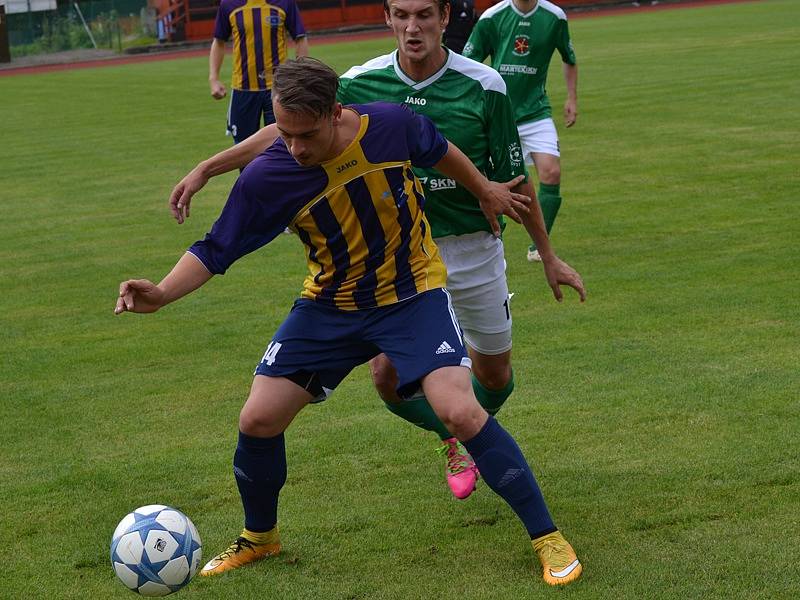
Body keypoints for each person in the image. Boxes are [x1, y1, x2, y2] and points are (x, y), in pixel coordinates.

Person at [119, 57, 582, 586]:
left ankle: (547, 535)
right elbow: (216, 247)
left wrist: (481, 187)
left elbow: (438, 150)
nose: (294, 148)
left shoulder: (390, 125)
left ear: (337, 113)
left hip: (411, 294)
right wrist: (160, 294)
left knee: (458, 410)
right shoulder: (271, 175)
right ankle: (259, 539)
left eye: (306, 135)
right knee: (258, 419)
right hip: (329, 306)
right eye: (284, 133)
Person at [169, 0, 585, 512]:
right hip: (397, 259)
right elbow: (292, 126)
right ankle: (456, 435)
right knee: (387, 378)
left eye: (425, 15)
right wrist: (209, 167)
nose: (413, 27)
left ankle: (464, 431)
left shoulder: (485, 86)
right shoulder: (358, 84)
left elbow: (511, 185)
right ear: (388, 18)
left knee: (494, 376)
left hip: (472, 247)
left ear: (445, 17)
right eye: (401, 14)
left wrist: (547, 254)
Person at [463, 0, 578, 262]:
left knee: (551, 171)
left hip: (536, 110)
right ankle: (488, 241)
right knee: (488, 181)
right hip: (498, 114)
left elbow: (569, 58)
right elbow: (467, 62)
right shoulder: (492, 17)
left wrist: (572, 99)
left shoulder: (554, 17)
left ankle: (539, 247)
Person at [209, 0, 309, 145]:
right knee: (243, 148)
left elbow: (300, 38)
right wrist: (213, 79)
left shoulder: (284, 2)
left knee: (282, 144)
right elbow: (219, 41)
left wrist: (300, 76)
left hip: (278, 88)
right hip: (243, 88)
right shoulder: (229, 4)